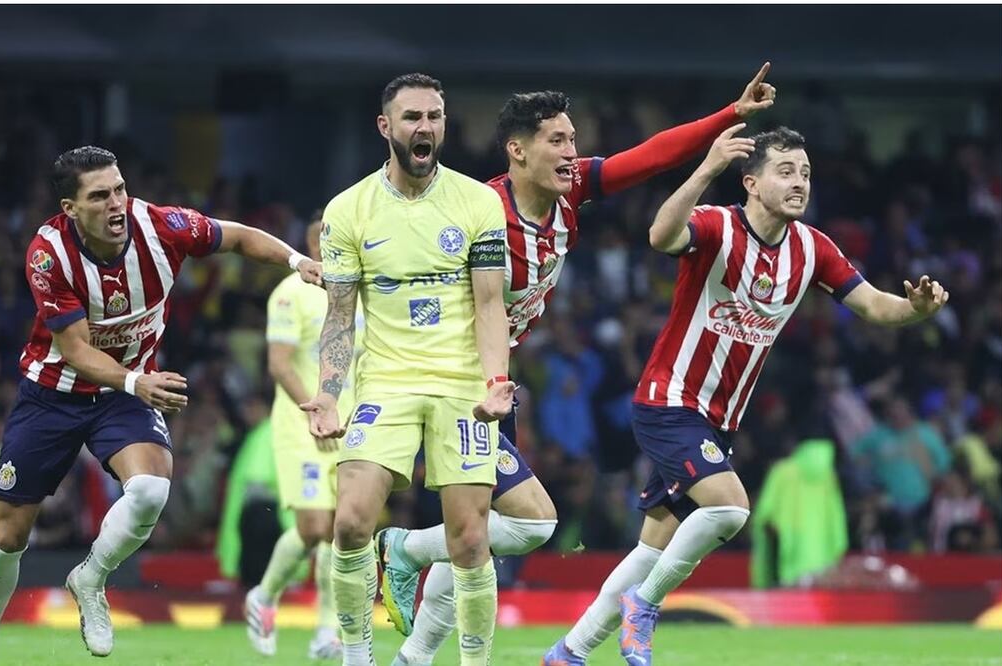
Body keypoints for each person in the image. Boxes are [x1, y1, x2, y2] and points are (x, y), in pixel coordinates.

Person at [377, 64, 779, 666]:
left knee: (473, 533)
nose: (572, 152)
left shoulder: (570, 195)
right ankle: (404, 548)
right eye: (557, 141)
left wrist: (730, 114)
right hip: (452, 380)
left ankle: (412, 655)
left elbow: (648, 157)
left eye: (573, 139)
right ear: (517, 150)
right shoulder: (474, 209)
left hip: (492, 383)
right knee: (531, 524)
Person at [590, 125, 946, 666]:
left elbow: (875, 305)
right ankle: (646, 603)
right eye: (785, 172)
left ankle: (568, 652)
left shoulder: (812, 248)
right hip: (670, 400)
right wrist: (708, 167)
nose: (799, 182)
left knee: (650, 548)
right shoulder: (717, 225)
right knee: (731, 507)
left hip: (719, 421)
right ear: (751, 183)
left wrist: (915, 309)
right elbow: (661, 235)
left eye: (805, 173)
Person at [0, 146, 322, 666]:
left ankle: (91, 578)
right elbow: (76, 350)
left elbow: (237, 236)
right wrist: (136, 380)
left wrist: (296, 260)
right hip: (53, 394)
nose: (116, 204)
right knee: (10, 533)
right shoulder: (48, 254)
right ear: (70, 208)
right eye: (99, 196)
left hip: (122, 395)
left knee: (151, 488)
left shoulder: (161, 227)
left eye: (120, 190)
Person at [299, 73, 512, 666]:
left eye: (435, 116)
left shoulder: (478, 202)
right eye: (413, 117)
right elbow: (340, 314)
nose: (426, 127)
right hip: (386, 383)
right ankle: (355, 658)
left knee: (471, 539)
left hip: (461, 385)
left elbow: (489, 304)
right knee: (349, 523)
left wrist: (496, 382)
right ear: (385, 126)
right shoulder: (349, 209)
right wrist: (328, 393)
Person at [244, 214, 364, 659]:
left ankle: (327, 631)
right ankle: (264, 595)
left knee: (343, 530)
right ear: (313, 244)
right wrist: (316, 410)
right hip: (303, 425)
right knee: (314, 527)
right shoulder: (289, 293)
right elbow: (279, 364)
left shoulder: (359, 295)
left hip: (350, 424)